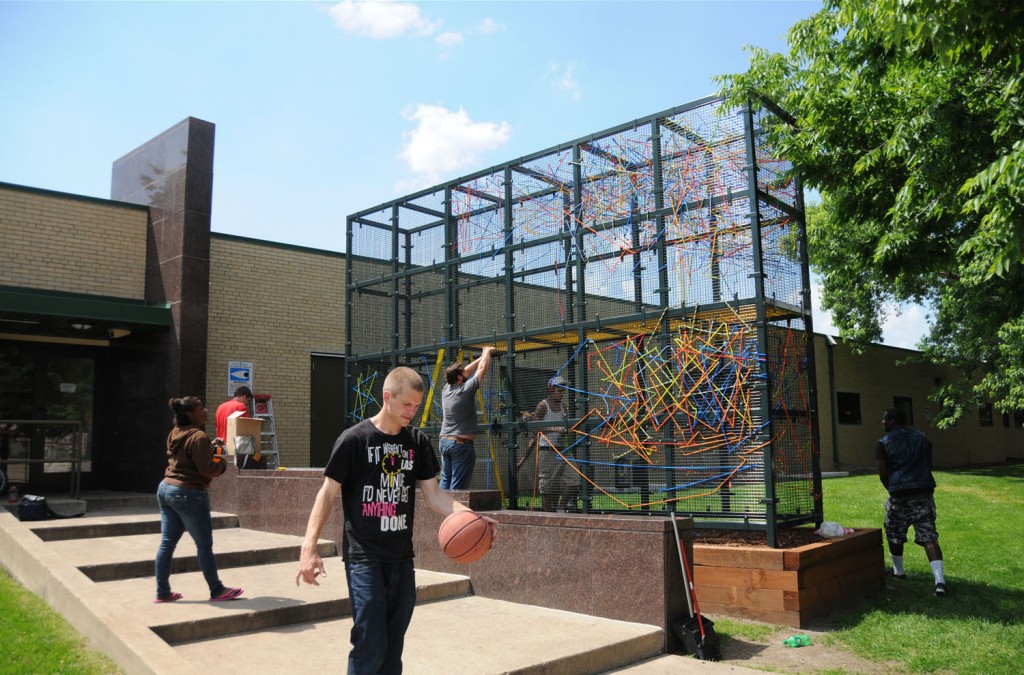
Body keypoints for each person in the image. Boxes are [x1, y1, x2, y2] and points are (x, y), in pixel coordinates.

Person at [295, 366, 497, 674]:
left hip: (401, 559)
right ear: (387, 397)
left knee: (392, 649)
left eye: (417, 406)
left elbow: (434, 495)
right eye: (407, 404)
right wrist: (309, 547)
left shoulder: (416, 441)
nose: (412, 412)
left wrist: (471, 517)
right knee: (370, 643)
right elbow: (327, 493)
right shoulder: (354, 440)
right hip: (364, 559)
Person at [154, 396, 243, 603]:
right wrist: (221, 461)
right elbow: (207, 469)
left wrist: (210, 448)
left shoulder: (176, 432)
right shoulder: (198, 436)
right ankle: (217, 590)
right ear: (190, 414)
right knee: (204, 545)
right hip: (189, 492)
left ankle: (162, 592)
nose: (205, 410)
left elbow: (190, 456)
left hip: (166, 489)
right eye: (201, 408)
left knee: (167, 544)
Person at [876, 407, 947, 597]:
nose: (882, 422)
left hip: (900, 494)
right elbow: (928, 463)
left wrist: (892, 488)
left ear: (892, 421)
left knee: (894, 533)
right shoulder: (922, 437)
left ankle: (898, 571)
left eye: (884, 419)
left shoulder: (883, 442)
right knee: (929, 537)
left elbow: (883, 473)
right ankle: (939, 581)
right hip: (924, 492)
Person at [438, 346, 496, 490]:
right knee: (457, 488)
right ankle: (454, 506)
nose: (467, 373)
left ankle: (441, 505)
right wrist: (487, 352)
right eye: (463, 373)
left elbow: (467, 371)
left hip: (444, 442)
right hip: (460, 445)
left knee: (445, 480)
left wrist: (481, 356)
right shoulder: (465, 389)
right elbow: (482, 369)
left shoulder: (446, 389)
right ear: (459, 377)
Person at [517, 375, 575, 512]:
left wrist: (567, 431)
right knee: (546, 486)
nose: (561, 393)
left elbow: (566, 426)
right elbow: (535, 428)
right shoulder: (543, 406)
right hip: (546, 450)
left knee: (575, 480)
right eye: (559, 390)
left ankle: (561, 508)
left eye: (563, 391)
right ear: (551, 390)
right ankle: (548, 514)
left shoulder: (564, 407)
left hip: (563, 450)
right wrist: (555, 429)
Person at [215, 386, 262, 469]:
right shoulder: (241, 406)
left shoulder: (221, 406)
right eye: (248, 400)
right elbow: (245, 428)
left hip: (220, 447)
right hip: (236, 448)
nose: (247, 403)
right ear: (244, 396)